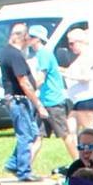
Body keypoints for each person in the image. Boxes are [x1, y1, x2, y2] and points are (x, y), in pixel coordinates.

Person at [0, 21, 43, 181]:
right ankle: (24, 171)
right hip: (19, 100)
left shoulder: (8, 53)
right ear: (19, 37)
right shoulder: (14, 55)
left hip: (18, 100)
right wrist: (38, 104)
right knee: (25, 135)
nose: (28, 41)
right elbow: (23, 82)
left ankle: (13, 163)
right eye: (26, 37)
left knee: (33, 134)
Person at [28, 27, 75, 161]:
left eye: (30, 37)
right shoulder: (40, 55)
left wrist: (28, 91)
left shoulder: (44, 54)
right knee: (37, 137)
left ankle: (79, 163)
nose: (27, 40)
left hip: (53, 101)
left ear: (37, 39)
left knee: (65, 135)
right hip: (44, 101)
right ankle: (25, 168)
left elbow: (41, 79)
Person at [63, 27, 93, 135]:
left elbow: (86, 77)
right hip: (79, 100)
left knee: (90, 131)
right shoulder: (82, 57)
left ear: (80, 42)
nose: (70, 47)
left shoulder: (86, 56)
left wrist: (68, 75)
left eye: (71, 43)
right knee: (70, 128)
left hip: (86, 99)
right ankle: (77, 150)